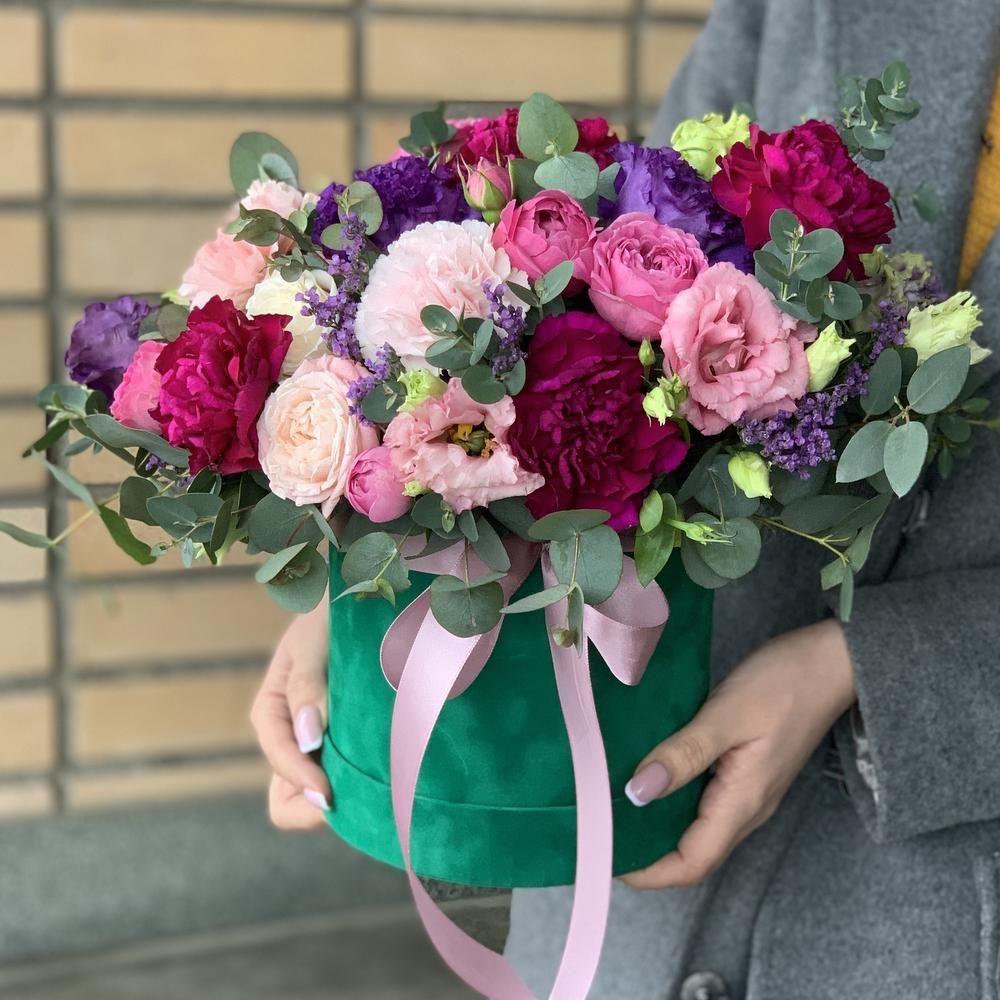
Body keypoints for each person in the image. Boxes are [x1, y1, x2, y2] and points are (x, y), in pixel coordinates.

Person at [252, 1, 1000, 995]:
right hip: (627, 815)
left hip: (932, 918)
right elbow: (646, 236)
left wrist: (881, 672)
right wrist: (374, 560)